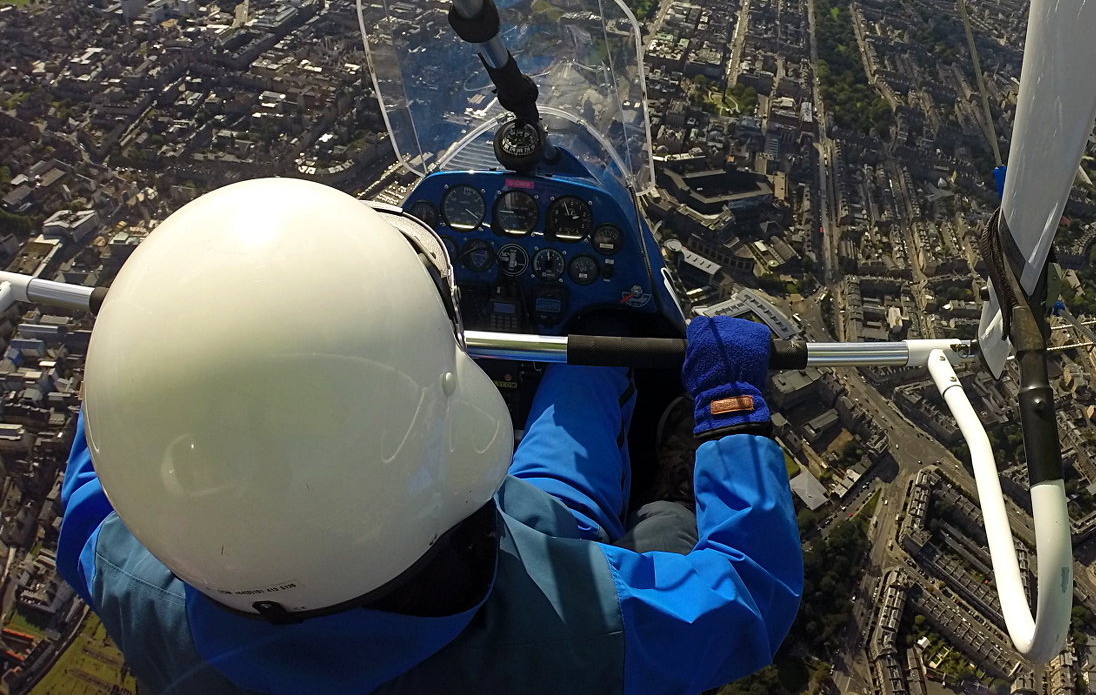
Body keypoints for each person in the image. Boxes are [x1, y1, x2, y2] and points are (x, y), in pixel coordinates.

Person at [57, 178, 802, 694]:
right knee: (642, 511)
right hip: (530, 577)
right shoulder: (580, 636)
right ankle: (616, 365)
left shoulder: (138, 588)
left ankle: (602, 348)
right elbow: (749, 595)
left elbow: (96, 487)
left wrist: (156, 331)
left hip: (474, 554)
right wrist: (732, 410)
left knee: (558, 472)